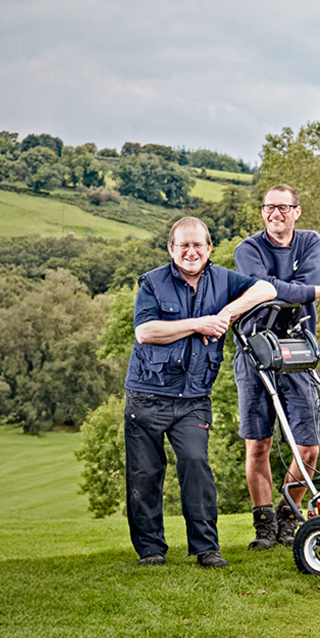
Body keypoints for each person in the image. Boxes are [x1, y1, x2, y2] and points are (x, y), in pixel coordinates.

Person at [124, 216, 277, 568]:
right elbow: (145, 332)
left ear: (209, 248)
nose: (191, 252)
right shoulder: (152, 283)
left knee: (196, 466)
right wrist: (198, 324)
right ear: (171, 249)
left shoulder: (223, 279)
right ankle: (151, 550)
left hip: (193, 399)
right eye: (183, 245)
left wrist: (225, 314)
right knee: (145, 475)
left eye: (198, 245)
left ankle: (206, 548)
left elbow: (266, 290)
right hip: (146, 395)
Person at [231, 184, 320, 550]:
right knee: (258, 445)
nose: (276, 214)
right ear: (262, 212)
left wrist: (302, 289)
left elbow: (294, 286)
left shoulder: (310, 241)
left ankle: (288, 515)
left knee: (307, 448)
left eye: (283, 207)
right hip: (254, 351)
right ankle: (264, 524)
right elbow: (265, 289)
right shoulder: (247, 249)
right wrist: (316, 293)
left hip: (297, 350)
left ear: (297, 211)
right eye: (269, 207)